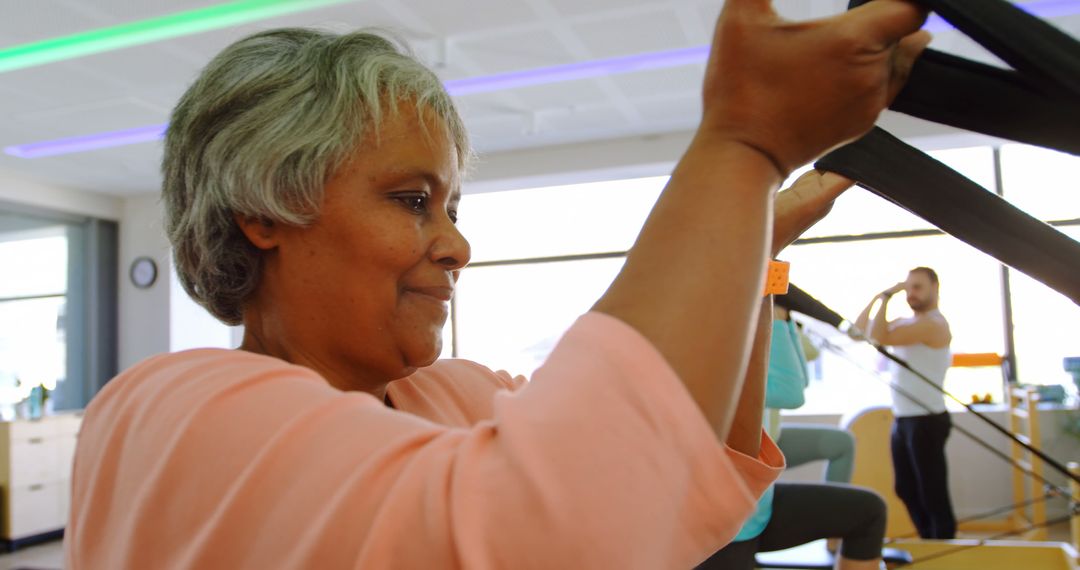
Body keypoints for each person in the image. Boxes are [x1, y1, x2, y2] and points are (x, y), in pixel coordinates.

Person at [65, 2, 931, 568]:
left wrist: (756, 242)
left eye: (450, 205)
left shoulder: (448, 394)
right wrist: (743, 145)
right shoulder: (171, 408)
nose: (456, 244)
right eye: (412, 200)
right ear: (267, 206)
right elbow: (569, 520)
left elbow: (699, 467)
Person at [700, 303, 887, 570]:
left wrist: (785, 321)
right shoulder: (715, 359)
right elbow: (791, 393)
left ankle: (833, 544)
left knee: (869, 510)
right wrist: (774, 318)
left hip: (759, 510)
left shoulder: (746, 343)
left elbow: (801, 376)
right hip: (728, 527)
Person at [854, 267, 956, 539]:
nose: (911, 293)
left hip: (926, 419)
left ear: (935, 288)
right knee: (906, 489)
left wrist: (887, 299)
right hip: (904, 417)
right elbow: (857, 331)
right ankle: (929, 540)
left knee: (932, 491)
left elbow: (877, 338)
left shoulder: (934, 324)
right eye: (908, 287)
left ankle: (942, 547)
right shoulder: (907, 323)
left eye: (918, 287)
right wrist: (880, 296)